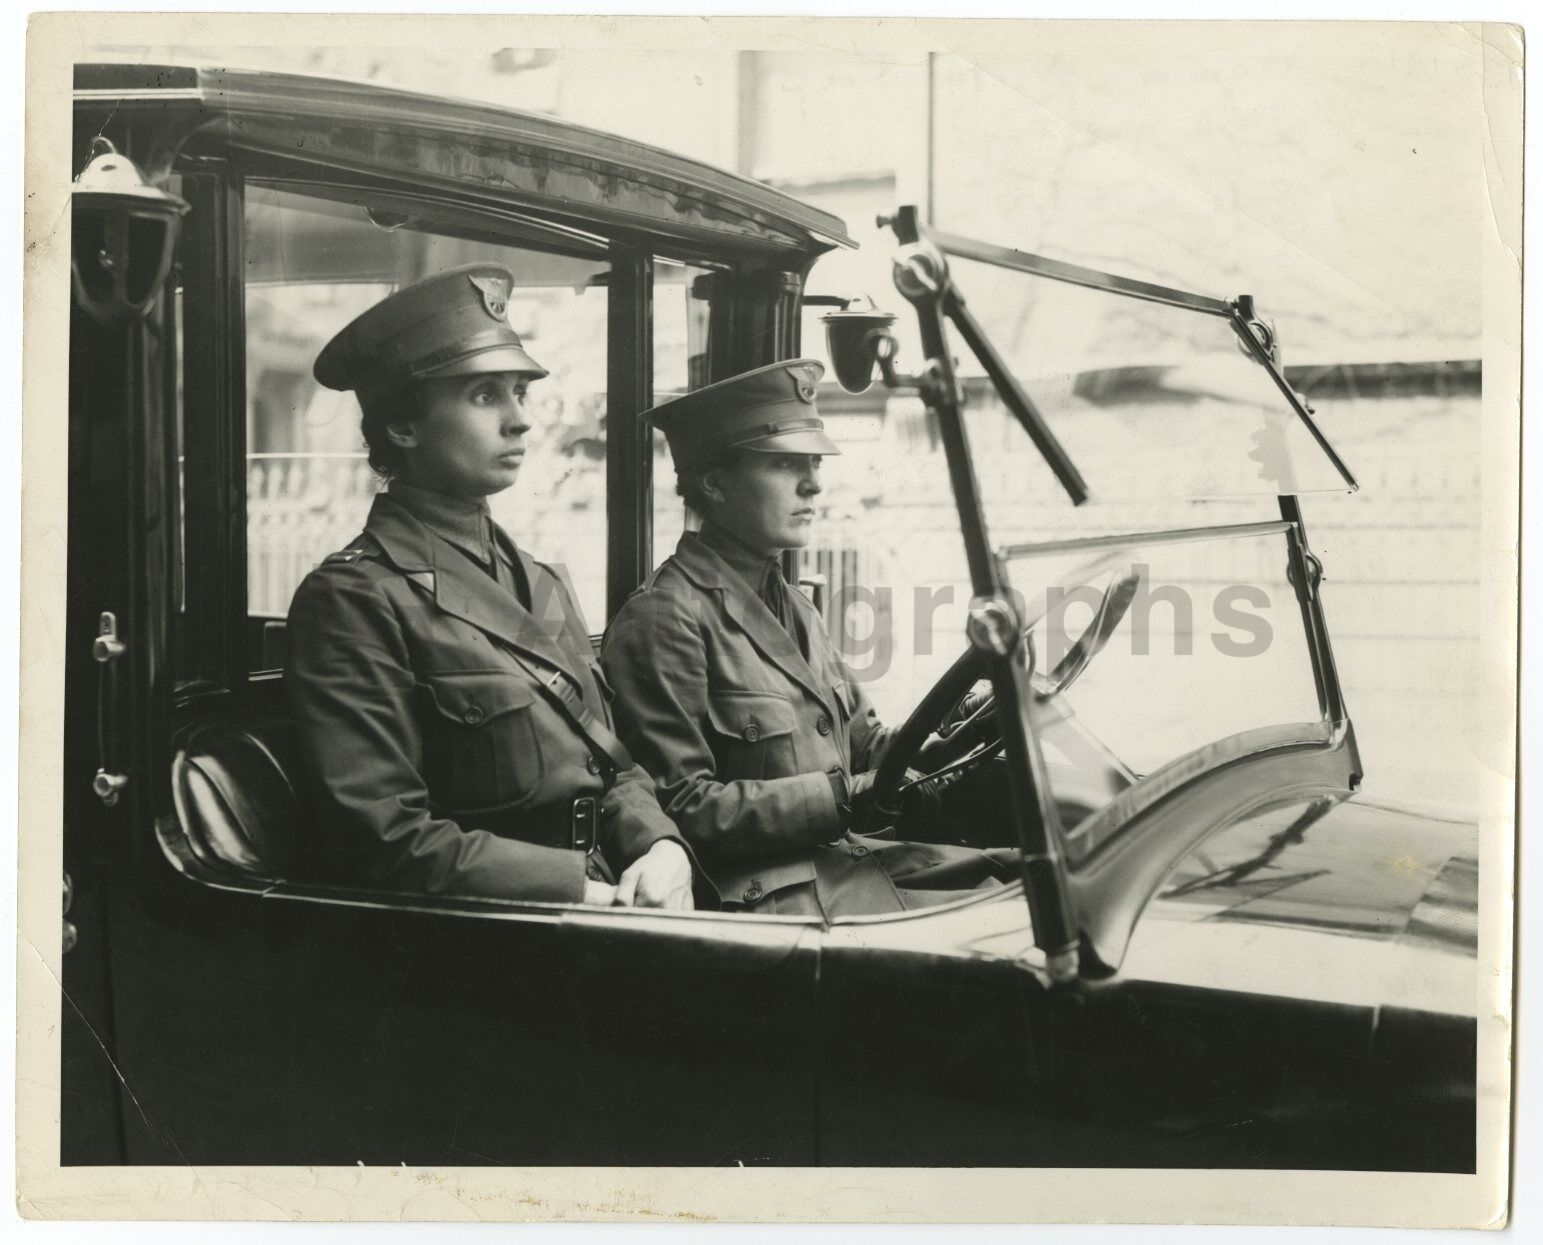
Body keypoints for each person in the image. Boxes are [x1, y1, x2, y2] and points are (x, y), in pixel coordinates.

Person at [286, 263, 693, 909]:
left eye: (519, 392)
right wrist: (584, 894)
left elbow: (609, 762)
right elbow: (386, 839)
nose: (518, 420)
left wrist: (659, 846)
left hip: (609, 904)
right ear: (402, 426)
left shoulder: (538, 579)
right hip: (493, 936)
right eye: (484, 395)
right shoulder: (355, 600)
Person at [601, 359, 1015, 918]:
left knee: (1030, 877)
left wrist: (959, 729)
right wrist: (842, 797)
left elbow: (866, 747)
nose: (814, 483)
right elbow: (682, 806)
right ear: (713, 482)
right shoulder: (664, 619)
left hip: (840, 864)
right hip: (773, 898)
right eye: (783, 463)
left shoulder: (795, 607)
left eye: (814, 461)